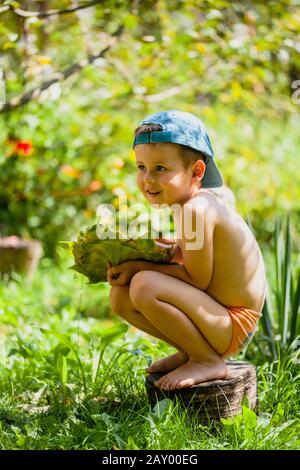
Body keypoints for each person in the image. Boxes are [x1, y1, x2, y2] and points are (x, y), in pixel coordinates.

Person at [107, 110, 266, 391]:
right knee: (120, 297)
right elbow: (189, 252)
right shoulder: (189, 205)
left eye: (160, 169)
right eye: (141, 167)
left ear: (196, 171)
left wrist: (139, 267)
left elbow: (197, 279)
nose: (148, 180)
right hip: (216, 319)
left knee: (143, 284)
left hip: (232, 322)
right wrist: (150, 250)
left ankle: (206, 360)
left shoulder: (195, 210)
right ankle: (190, 350)